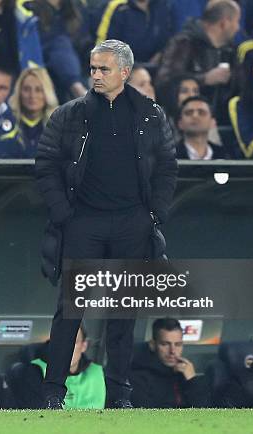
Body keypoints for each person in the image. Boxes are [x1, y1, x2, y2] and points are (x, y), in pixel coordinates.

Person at [35, 39, 177, 409]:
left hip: (133, 221)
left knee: (123, 313)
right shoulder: (69, 114)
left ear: (125, 72)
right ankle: (53, 393)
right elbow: (46, 163)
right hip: (84, 221)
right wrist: (64, 214)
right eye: (93, 68)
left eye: (103, 69)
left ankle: (119, 394)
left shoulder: (150, 113)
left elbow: (166, 165)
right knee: (69, 310)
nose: (95, 75)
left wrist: (154, 215)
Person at [156, 0, 241, 121]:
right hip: (181, 121)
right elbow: (164, 82)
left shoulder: (230, 50)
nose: (238, 28)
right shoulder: (183, 43)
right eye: (236, 21)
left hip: (216, 122)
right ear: (224, 23)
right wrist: (204, 79)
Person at [12, 326, 107, 409]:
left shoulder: (101, 373)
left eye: (73, 341)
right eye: (61, 342)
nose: (66, 348)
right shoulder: (33, 372)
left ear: (84, 346)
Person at [130, 318, 210, 408]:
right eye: (165, 344)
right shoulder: (138, 378)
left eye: (178, 344)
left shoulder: (184, 374)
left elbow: (204, 412)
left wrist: (192, 381)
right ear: (152, 345)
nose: (172, 351)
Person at [27, 0, 88, 99]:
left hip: (78, 72)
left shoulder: (77, 7)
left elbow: (85, 43)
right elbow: (42, 46)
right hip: (44, 73)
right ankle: (76, 87)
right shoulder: (29, 8)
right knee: (60, 43)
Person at [96, 0, 175, 63]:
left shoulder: (162, 7)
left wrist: (160, 54)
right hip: (124, 69)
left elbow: (168, 37)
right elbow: (106, 43)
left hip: (156, 68)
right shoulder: (118, 7)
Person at [8, 67, 58, 157]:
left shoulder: (59, 126)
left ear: (47, 93)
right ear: (19, 92)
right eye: (26, 89)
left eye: (38, 90)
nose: (32, 95)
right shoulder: (7, 123)